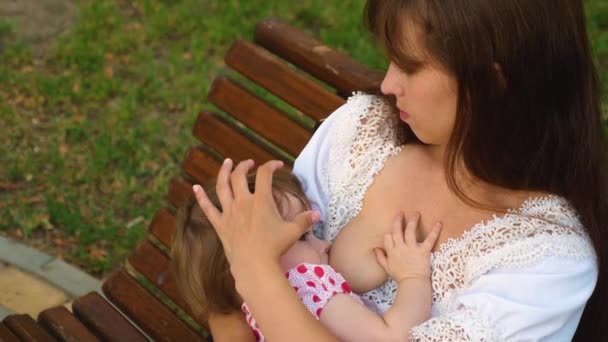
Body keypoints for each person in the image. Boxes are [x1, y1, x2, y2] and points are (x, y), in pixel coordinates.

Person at [193, 0, 608, 340]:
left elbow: (247, 263)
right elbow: (228, 302)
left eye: (409, 66)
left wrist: (253, 269)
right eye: (390, 60)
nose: (388, 85)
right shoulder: (361, 132)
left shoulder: (543, 262)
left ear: (492, 82)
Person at [173, 170, 443, 341]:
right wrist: (413, 276)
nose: (324, 244)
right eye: (304, 237)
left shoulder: (253, 309)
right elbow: (392, 338)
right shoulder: (307, 285)